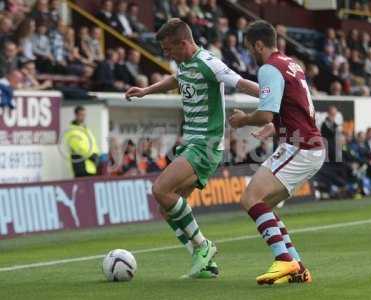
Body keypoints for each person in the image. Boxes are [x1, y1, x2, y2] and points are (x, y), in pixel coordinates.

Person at [125, 18, 259, 278]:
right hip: (193, 143)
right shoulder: (185, 64)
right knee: (167, 209)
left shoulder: (210, 64)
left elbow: (241, 83)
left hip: (206, 144)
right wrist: (146, 90)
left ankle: (203, 246)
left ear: (184, 43)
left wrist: (276, 97)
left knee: (160, 189)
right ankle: (206, 264)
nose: (167, 54)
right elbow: (177, 79)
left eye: (169, 49)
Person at [229, 20, 325, 285]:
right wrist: (274, 127)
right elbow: (298, 108)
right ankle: (298, 266)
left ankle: (283, 260)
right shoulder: (292, 64)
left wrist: (243, 120)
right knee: (264, 204)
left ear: (259, 44)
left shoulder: (269, 68)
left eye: (250, 48)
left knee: (250, 197)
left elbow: (264, 113)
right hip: (308, 144)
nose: (250, 53)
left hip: (300, 147)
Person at [65, 106, 99, 178]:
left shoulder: (86, 129)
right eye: (81, 115)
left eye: (84, 115)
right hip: (81, 166)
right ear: (76, 115)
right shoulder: (72, 130)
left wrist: (96, 154)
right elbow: (78, 147)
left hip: (91, 166)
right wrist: (91, 155)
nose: (83, 117)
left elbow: (94, 145)